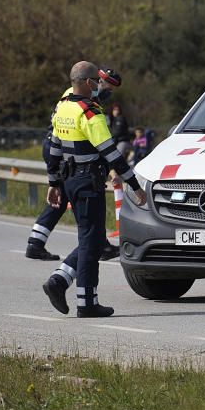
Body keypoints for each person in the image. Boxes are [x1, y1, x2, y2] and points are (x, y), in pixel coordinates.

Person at [41, 61, 145, 318]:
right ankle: (85, 302)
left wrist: (54, 182)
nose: (100, 86)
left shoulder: (64, 106)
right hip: (88, 183)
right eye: (97, 81)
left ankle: (61, 280)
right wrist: (135, 185)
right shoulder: (91, 113)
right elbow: (111, 153)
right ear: (89, 83)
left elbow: (54, 148)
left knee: (94, 239)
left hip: (70, 180)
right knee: (91, 240)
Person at [24, 66, 123, 261]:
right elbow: (95, 138)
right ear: (93, 81)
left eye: (111, 89)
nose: (107, 92)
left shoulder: (73, 91)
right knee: (81, 193)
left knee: (62, 196)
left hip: (57, 145)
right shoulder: (83, 98)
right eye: (105, 86)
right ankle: (97, 243)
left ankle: (36, 242)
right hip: (63, 147)